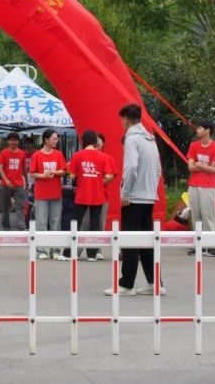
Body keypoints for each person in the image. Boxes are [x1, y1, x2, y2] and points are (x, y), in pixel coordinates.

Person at [105, 103, 164, 297]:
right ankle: (155, 282)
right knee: (147, 241)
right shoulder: (150, 139)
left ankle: (127, 284)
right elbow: (157, 169)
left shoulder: (132, 139)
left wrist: (125, 193)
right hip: (148, 197)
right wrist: (151, 189)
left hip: (134, 197)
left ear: (125, 119)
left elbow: (131, 167)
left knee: (130, 240)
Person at [62, 130, 114, 261]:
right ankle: (92, 254)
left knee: (76, 223)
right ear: (95, 142)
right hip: (98, 194)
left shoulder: (77, 155)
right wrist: (98, 179)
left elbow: (71, 175)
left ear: (82, 141)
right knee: (95, 225)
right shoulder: (103, 157)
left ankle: (69, 253)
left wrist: (82, 175)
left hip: (82, 194)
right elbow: (109, 176)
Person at [186, 121, 215, 257]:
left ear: (207, 131)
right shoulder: (194, 146)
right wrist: (206, 167)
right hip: (193, 185)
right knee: (196, 216)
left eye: (200, 128)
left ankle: (211, 246)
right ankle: (198, 246)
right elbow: (190, 167)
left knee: (208, 215)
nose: (197, 130)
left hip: (208, 186)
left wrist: (199, 165)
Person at [30, 129, 66, 260]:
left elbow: (63, 171)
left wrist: (55, 173)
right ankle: (42, 249)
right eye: (54, 139)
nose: (56, 141)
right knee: (41, 222)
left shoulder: (58, 154)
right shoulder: (37, 155)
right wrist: (43, 175)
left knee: (55, 222)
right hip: (41, 193)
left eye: (57, 139)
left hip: (56, 193)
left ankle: (55, 250)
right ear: (46, 140)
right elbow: (32, 173)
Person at [0, 132, 28, 231]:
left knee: (20, 206)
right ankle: (6, 227)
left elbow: (24, 169)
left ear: (18, 141)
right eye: (11, 140)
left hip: (19, 184)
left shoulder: (22, 153)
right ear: (8, 141)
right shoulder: (4, 153)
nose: (13, 142)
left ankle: (21, 227)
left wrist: (26, 182)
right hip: (6, 184)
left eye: (15, 140)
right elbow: (0, 168)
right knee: (6, 206)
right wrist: (6, 180)